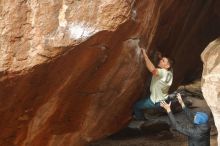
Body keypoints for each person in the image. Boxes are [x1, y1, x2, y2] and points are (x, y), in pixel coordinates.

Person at [133, 48, 174, 120]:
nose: (160, 60)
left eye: (163, 61)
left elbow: (153, 70)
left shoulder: (162, 72)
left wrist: (145, 56)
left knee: (136, 106)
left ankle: (140, 120)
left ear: (167, 66)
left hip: (155, 101)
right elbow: (168, 65)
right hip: (164, 99)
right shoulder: (170, 73)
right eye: (161, 59)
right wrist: (160, 57)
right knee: (146, 98)